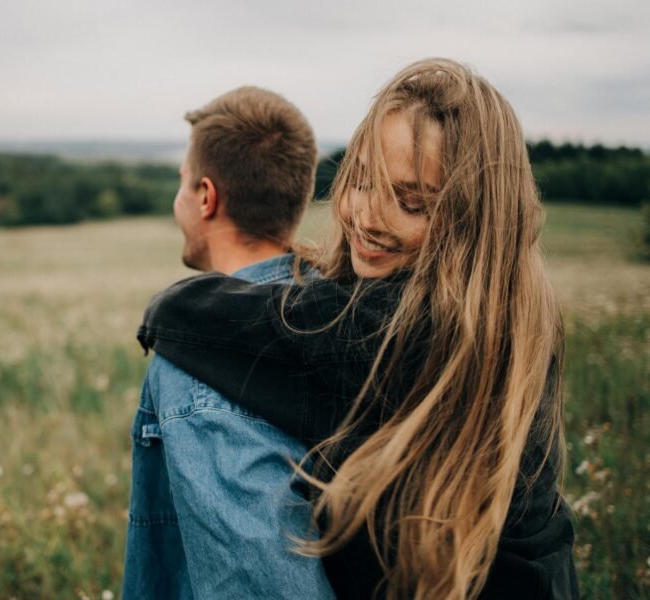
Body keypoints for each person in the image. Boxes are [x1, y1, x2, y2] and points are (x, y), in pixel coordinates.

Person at [137, 59, 578, 599]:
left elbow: (254, 329)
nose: (370, 217)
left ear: (476, 225)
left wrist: (169, 306)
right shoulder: (507, 309)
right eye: (363, 181)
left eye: (413, 203)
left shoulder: (423, 332)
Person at [122, 86, 335, 598]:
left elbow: (261, 585)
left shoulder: (198, 362)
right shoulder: (343, 313)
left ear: (206, 197)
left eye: (182, 184)